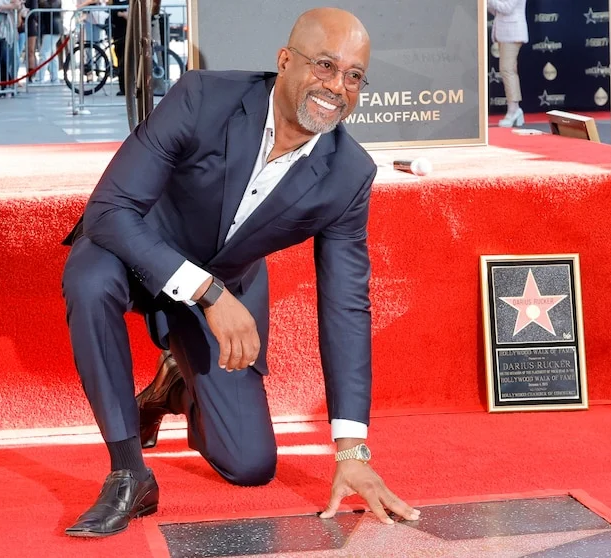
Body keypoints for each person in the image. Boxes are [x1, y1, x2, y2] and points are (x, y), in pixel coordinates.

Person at [60, 7, 419, 538]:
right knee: (88, 280)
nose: (337, 86)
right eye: (325, 65)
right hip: (136, 250)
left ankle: (171, 387)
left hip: (226, 284)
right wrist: (206, 291)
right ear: (284, 60)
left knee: (250, 466)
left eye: (353, 76)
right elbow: (109, 211)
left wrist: (352, 449)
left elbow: (346, 304)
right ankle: (129, 473)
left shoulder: (349, 174)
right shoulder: (204, 97)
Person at [487, 0, 528, 128]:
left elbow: (507, 8)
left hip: (513, 33)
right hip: (504, 33)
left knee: (507, 70)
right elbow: (497, 11)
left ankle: (513, 110)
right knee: (509, 70)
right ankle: (515, 109)